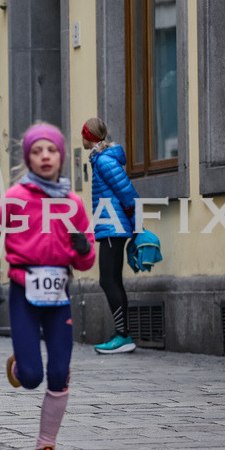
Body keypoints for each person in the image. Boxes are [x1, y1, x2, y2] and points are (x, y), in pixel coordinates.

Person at [0, 123, 95, 450]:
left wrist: (84, 248)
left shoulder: (72, 203)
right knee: (30, 376)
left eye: (51, 150)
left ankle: (45, 449)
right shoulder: (15, 198)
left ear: (60, 157)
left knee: (59, 372)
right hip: (23, 293)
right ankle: (17, 365)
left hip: (59, 296)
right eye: (38, 151)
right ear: (28, 158)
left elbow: (85, 260)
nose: (45, 156)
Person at [83, 117, 141, 355]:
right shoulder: (100, 159)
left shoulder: (104, 161)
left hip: (113, 227)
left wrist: (137, 226)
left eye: (84, 134)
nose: (82, 139)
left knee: (108, 280)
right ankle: (122, 333)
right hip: (111, 226)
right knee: (112, 279)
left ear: (90, 137)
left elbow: (128, 193)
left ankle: (123, 335)